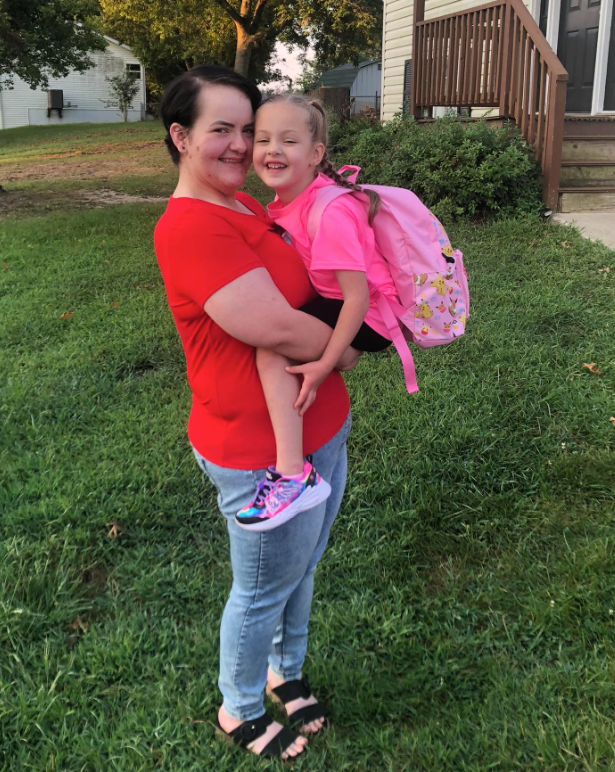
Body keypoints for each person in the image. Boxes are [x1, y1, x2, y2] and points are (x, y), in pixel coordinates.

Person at [154, 65, 358, 761]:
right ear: (181, 136)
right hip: (258, 449)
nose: (242, 145)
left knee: (302, 568)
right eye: (222, 129)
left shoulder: (243, 204)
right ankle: (238, 706)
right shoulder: (189, 227)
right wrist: (347, 347)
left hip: (319, 421)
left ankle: (284, 670)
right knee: (263, 587)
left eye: (249, 129)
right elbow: (271, 325)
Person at [235, 95, 395, 531]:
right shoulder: (298, 198)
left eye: (289, 141)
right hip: (349, 308)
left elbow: (357, 298)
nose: (273, 150)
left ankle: (293, 475)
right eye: (263, 139)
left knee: (273, 343)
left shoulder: (329, 212)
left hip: (369, 317)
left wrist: (328, 361)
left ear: (315, 154)